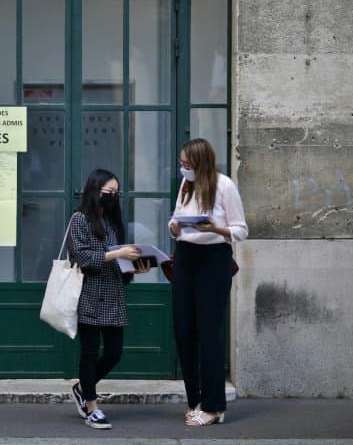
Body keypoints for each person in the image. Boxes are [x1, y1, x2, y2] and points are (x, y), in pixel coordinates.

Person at [168, 138, 248, 427]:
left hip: (214, 257)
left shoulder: (224, 185)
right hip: (186, 256)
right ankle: (195, 401)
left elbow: (241, 230)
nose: (183, 168)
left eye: (187, 164)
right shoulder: (186, 185)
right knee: (183, 329)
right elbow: (176, 219)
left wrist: (214, 228)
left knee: (209, 332)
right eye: (181, 163)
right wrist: (174, 226)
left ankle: (214, 406)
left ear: (201, 162)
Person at [67, 169, 150, 429]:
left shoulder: (114, 223)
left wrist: (135, 268)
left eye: (116, 193)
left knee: (114, 354)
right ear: (95, 192)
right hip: (90, 294)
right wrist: (116, 255)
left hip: (113, 294)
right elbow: (83, 257)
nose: (113, 197)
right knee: (90, 354)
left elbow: (120, 263)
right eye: (108, 193)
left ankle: (81, 388)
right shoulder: (79, 219)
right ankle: (92, 407)